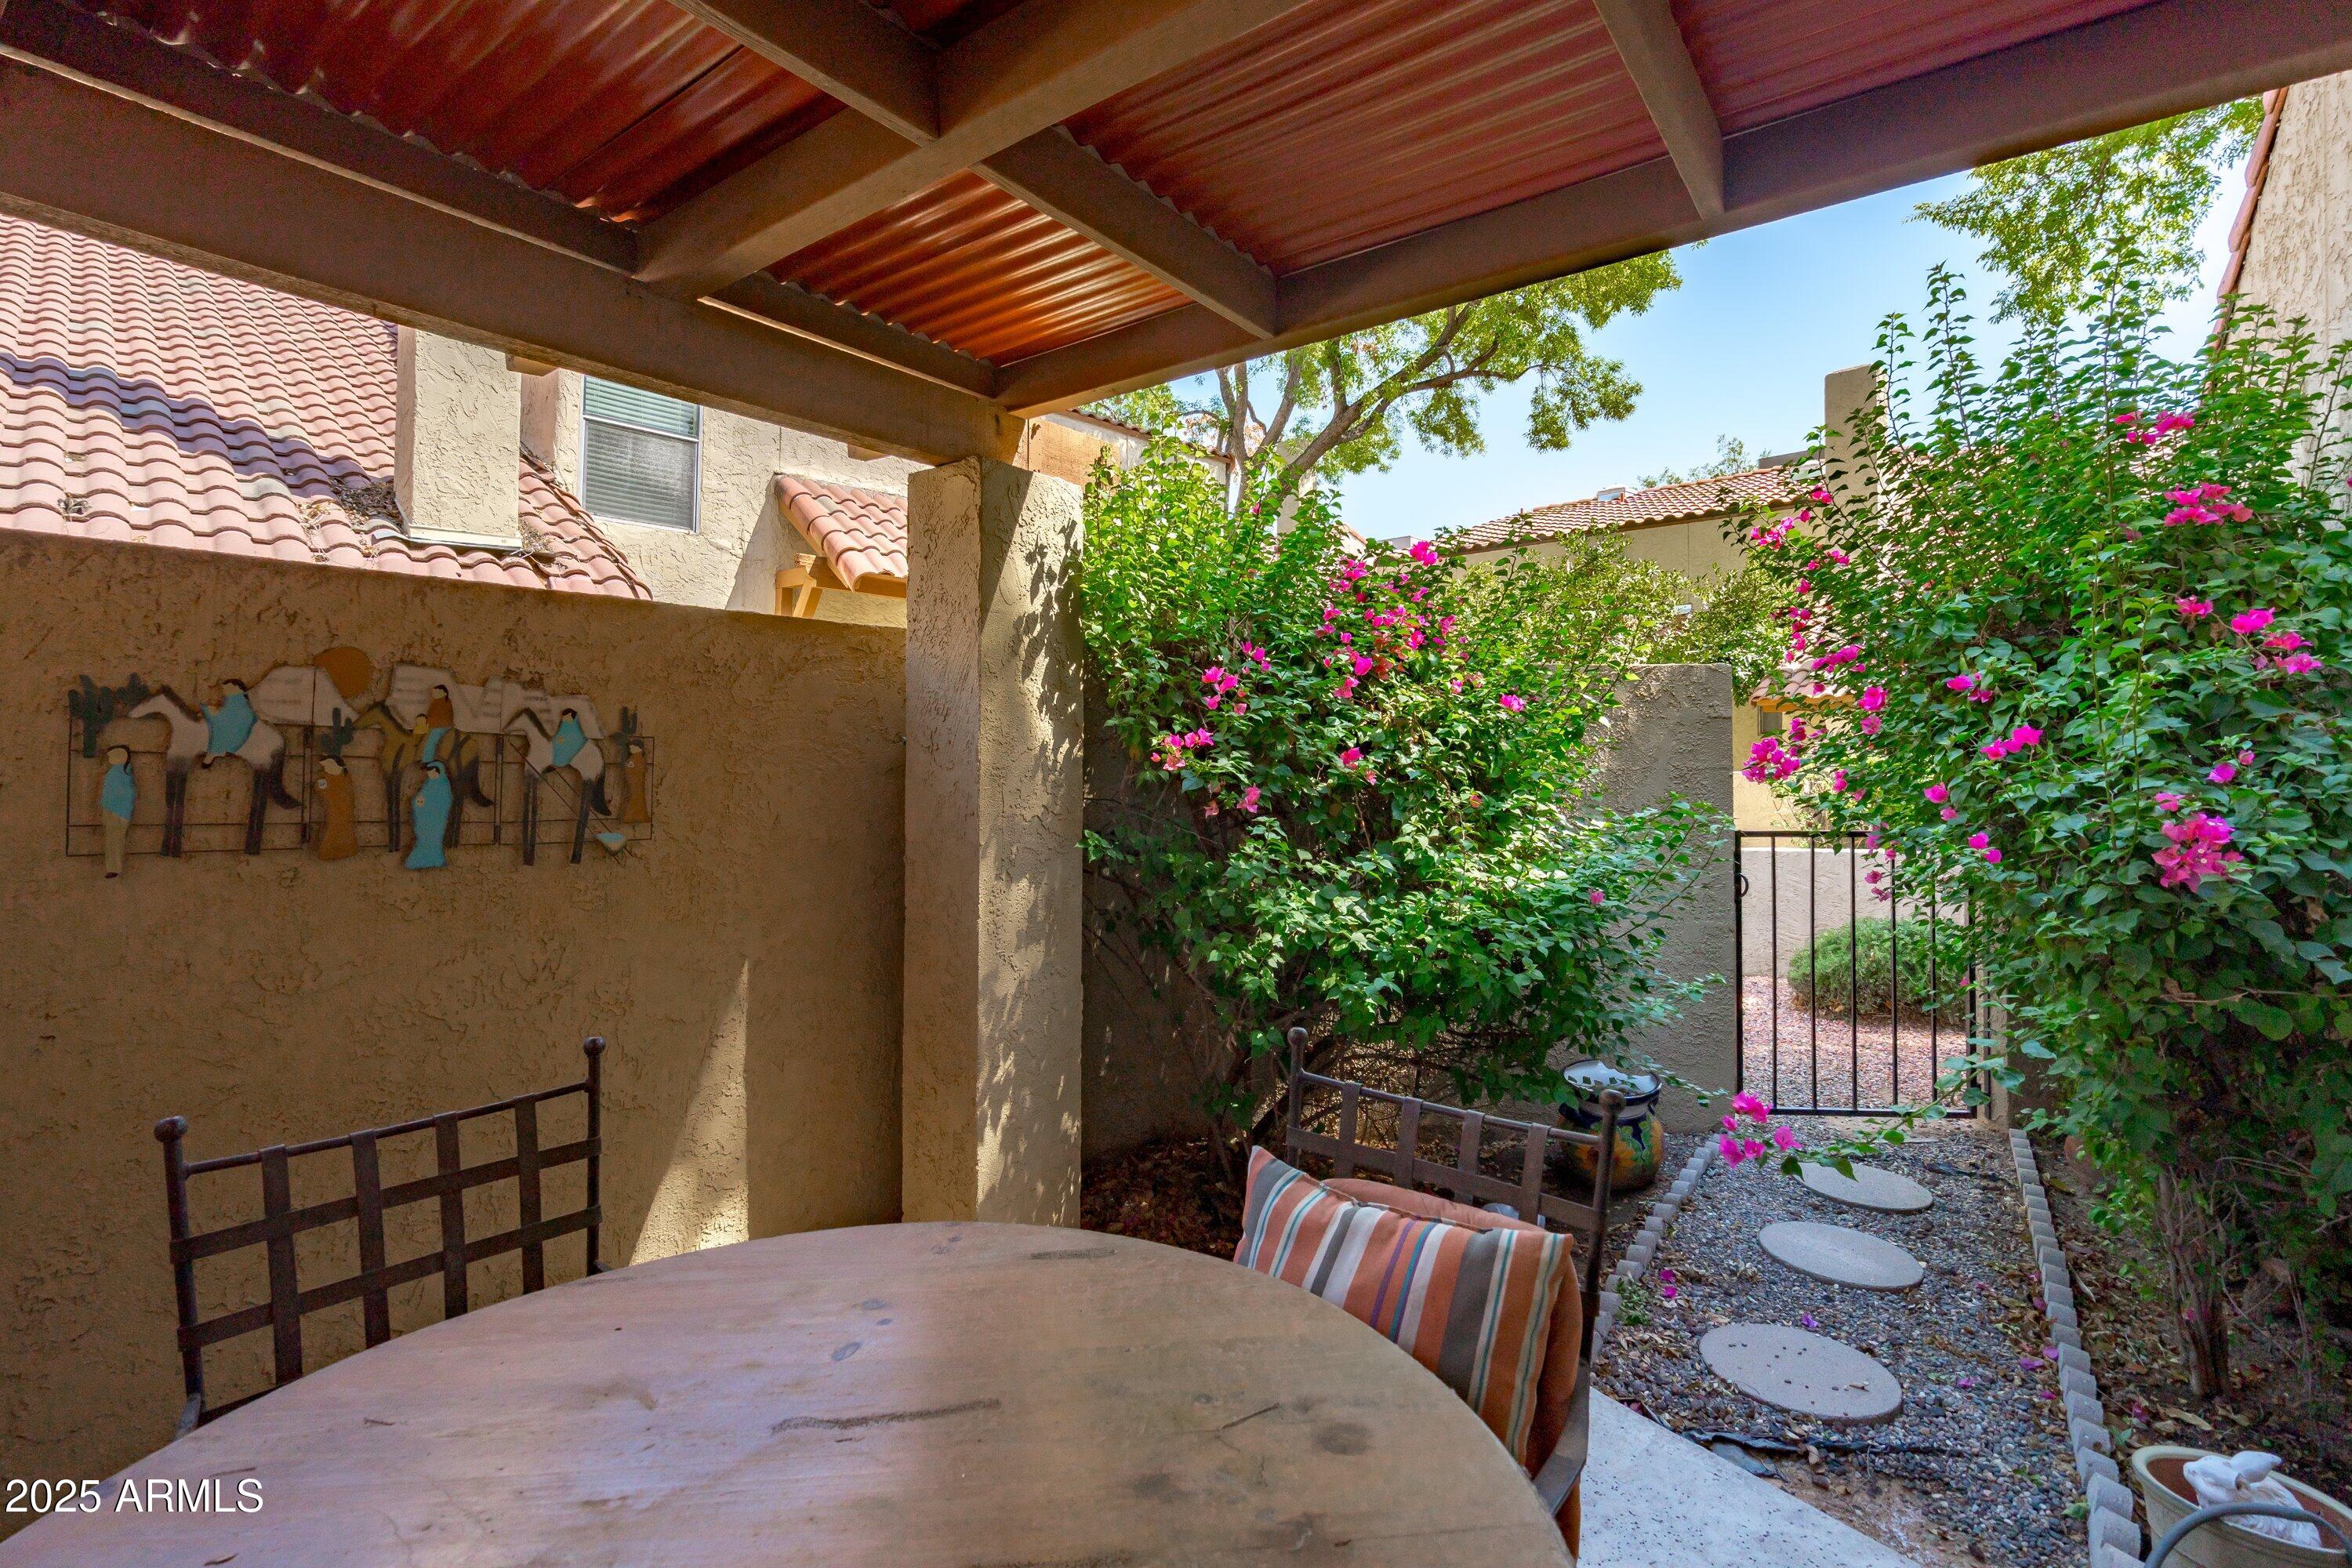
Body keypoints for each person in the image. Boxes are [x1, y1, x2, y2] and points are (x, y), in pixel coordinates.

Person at [406, 760, 452, 870]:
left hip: (436, 820)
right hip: (424, 819)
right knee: (424, 840)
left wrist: (424, 803)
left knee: (432, 840)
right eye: (429, 772)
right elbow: (422, 798)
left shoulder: (443, 785)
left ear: (438, 772)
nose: (429, 774)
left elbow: (443, 803)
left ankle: (432, 861)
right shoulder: (429, 784)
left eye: (431, 771)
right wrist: (418, 802)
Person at [99, 744, 135, 877]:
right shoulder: (118, 771)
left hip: (118, 811)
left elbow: (126, 792)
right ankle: (112, 867)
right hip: (112, 809)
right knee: (112, 840)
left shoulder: (123, 772)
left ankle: (114, 868)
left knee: (115, 840)